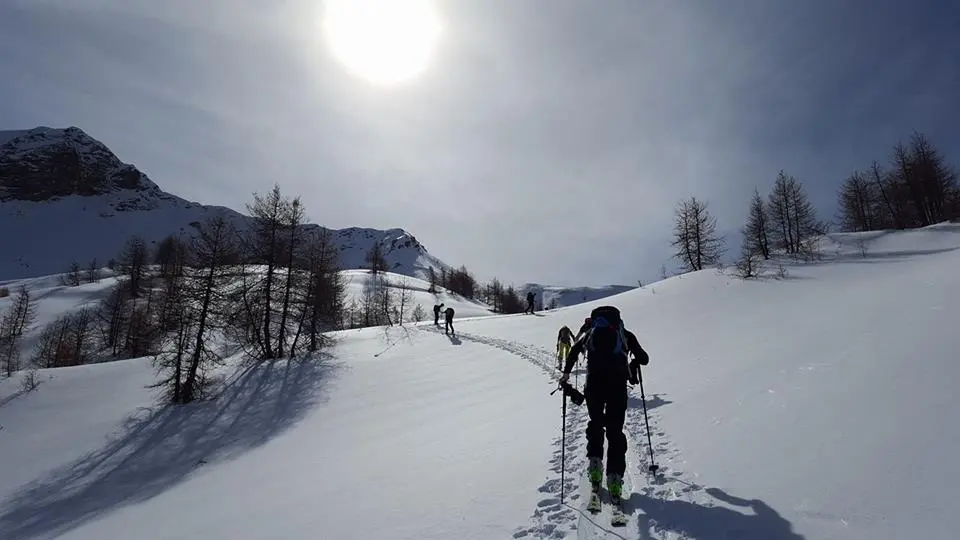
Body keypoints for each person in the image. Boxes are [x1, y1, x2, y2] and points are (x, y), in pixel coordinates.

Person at [559, 305, 649, 501]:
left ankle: (595, 467)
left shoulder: (591, 333)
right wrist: (633, 361)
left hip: (594, 386)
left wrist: (566, 374)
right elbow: (644, 359)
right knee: (615, 431)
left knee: (596, 425)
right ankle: (615, 477)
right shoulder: (624, 333)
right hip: (617, 387)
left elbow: (573, 352)